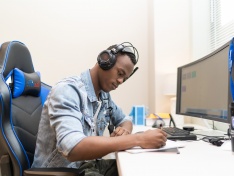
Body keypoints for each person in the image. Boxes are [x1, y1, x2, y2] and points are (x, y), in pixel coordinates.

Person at [31, 42, 167, 176]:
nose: (121, 81)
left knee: (144, 168)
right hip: (63, 171)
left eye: (124, 79)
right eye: (120, 73)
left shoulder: (104, 96)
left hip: (88, 166)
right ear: (105, 60)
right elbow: (73, 148)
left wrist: (124, 130)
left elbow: (125, 119)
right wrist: (139, 139)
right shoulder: (67, 90)